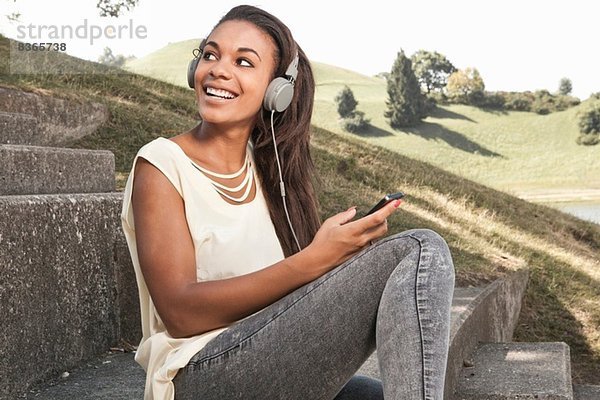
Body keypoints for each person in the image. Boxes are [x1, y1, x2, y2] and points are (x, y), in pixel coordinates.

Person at [120, 5, 455, 400]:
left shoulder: (271, 176)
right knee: (420, 249)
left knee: (372, 396)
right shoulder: (160, 163)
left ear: (276, 92)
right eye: (210, 55)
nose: (218, 69)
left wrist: (337, 263)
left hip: (261, 357)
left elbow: (287, 301)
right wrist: (313, 260)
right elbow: (180, 313)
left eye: (243, 62)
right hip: (199, 374)